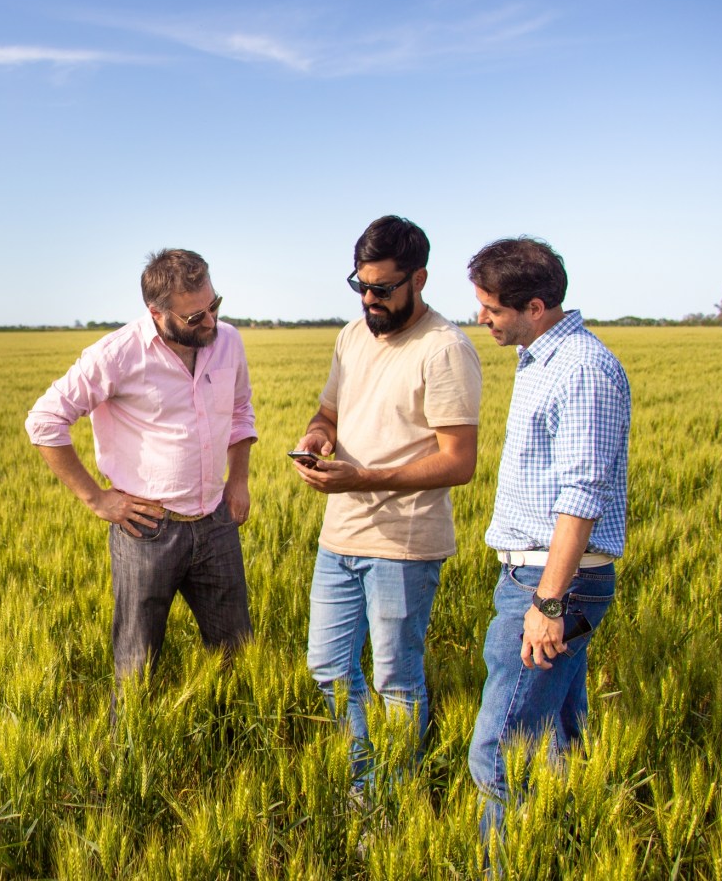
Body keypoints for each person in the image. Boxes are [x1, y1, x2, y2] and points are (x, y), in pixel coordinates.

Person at [292, 216, 482, 789]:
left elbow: (459, 461)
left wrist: (364, 479)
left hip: (403, 545)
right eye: (361, 286)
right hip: (339, 538)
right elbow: (327, 413)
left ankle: (392, 797)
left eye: (383, 288)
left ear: (418, 278)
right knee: (327, 668)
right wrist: (316, 439)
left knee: (396, 681)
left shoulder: (445, 349)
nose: (370, 300)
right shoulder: (352, 336)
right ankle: (360, 780)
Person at [464, 237, 631, 847]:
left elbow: (580, 496)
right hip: (537, 578)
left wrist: (549, 603)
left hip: (551, 583)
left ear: (535, 306)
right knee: (561, 739)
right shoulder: (540, 359)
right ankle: (570, 848)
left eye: (491, 307)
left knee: (499, 750)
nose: (481, 316)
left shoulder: (581, 369)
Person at [25, 248, 257, 684]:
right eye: (194, 317)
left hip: (216, 522)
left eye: (214, 306)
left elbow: (241, 411)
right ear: (157, 313)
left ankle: (231, 742)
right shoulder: (116, 354)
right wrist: (96, 499)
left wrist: (238, 480)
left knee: (237, 657)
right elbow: (44, 420)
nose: (210, 322)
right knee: (136, 665)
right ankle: (130, 749)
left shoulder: (227, 340)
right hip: (148, 531)